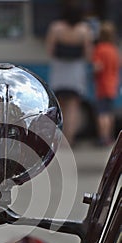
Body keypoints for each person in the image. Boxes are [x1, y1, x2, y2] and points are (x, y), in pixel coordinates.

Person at [46, 2, 93, 146]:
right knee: (73, 107)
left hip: (60, 71)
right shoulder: (84, 30)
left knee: (59, 106)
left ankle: (57, 139)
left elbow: (50, 50)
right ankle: (69, 139)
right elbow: (88, 54)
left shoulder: (56, 28)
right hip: (75, 72)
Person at [92, 21, 120, 146]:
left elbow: (98, 67)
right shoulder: (114, 50)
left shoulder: (100, 49)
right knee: (109, 113)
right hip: (112, 85)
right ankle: (109, 137)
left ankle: (103, 138)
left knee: (102, 113)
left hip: (102, 85)